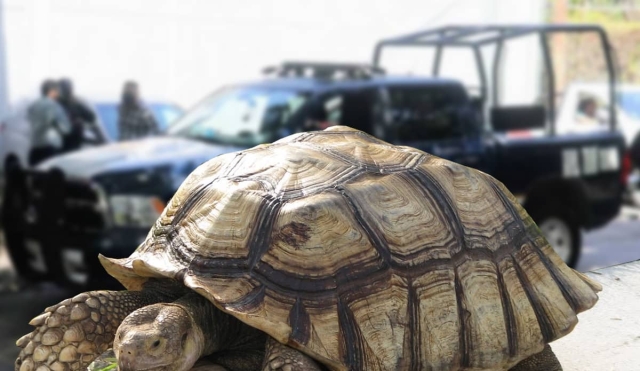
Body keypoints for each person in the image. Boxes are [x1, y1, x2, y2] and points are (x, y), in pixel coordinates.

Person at [26, 79, 72, 166]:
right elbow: (66, 129)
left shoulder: (33, 106)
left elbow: (29, 120)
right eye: (57, 90)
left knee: (36, 177)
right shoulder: (55, 106)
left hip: (34, 151)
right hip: (50, 152)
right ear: (51, 91)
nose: (58, 93)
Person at [57, 78, 100, 152]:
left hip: (74, 146)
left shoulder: (76, 103)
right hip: (61, 146)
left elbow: (91, 117)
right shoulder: (55, 104)